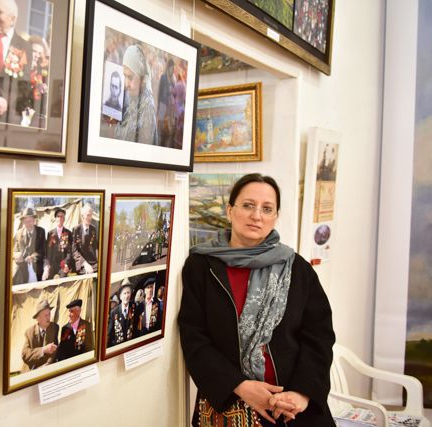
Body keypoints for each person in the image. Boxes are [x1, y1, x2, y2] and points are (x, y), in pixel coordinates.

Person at [178, 173, 335, 426]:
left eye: (267, 209)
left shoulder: (296, 269)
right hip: (227, 406)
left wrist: (302, 393)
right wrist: (239, 385)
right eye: (248, 205)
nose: (257, 216)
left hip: (290, 410)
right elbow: (194, 337)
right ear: (230, 210)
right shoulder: (201, 267)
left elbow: (319, 337)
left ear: (275, 217)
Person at [114, 44, 158, 145]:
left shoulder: (147, 107)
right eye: (124, 76)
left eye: (130, 77)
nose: (126, 84)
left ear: (141, 77)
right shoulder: (134, 98)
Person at [21, 299, 59, 371]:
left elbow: (54, 350)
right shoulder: (29, 332)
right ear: (38, 318)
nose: (48, 317)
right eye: (45, 315)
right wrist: (43, 350)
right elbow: (25, 355)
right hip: (32, 370)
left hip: (48, 368)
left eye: (49, 314)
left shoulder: (54, 327)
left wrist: (47, 365)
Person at [12, 207, 45, 285]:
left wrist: (33, 257)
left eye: (30, 221)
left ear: (34, 220)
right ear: (23, 222)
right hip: (22, 270)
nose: (28, 224)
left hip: (36, 268)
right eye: (26, 221)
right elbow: (15, 250)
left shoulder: (41, 231)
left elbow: (42, 250)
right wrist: (17, 256)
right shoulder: (18, 233)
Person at [42, 208, 74, 280]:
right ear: (55, 219)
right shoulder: (50, 233)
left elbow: (70, 252)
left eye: (62, 216)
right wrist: (47, 266)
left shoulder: (68, 233)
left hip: (63, 264)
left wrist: (66, 263)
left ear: (64, 219)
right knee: (46, 279)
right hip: (52, 264)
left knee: (63, 279)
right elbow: (48, 251)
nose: (60, 218)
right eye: (58, 216)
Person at [107, 280, 137, 347]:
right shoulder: (114, 312)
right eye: (124, 293)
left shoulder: (134, 308)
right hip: (118, 346)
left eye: (128, 293)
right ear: (120, 296)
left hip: (130, 345)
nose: (126, 296)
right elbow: (110, 333)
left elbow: (135, 328)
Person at [72, 204, 99, 275]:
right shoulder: (76, 229)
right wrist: (84, 263)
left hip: (93, 262)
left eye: (91, 215)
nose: (90, 218)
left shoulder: (93, 229)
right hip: (81, 263)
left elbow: (95, 247)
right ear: (82, 216)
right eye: (88, 215)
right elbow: (74, 250)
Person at [156, 58, 175, 147]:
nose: (173, 70)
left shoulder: (172, 78)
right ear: (169, 67)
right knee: (160, 123)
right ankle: (158, 140)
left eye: (173, 68)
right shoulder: (163, 77)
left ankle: (164, 141)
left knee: (167, 124)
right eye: (172, 68)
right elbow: (160, 92)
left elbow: (173, 91)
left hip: (169, 104)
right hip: (163, 103)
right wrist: (159, 106)